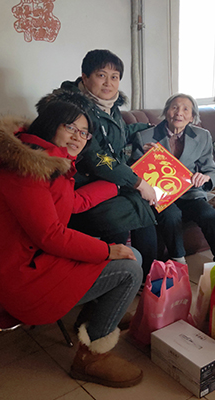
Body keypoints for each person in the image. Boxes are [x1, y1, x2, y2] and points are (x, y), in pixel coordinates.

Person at [0, 89, 144, 388]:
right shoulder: (27, 172)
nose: (78, 137)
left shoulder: (48, 163)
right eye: (71, 127)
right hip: (26, 281)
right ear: (51, 125)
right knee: (129, 269)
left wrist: (118, 187)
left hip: (41, 263)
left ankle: (96, 318)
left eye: (84, 132)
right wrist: (106, 250)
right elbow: (50, 235)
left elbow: (72, 203)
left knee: (132, 255)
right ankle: (91, 357)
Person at [60, 49, 157, 280]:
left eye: (114, 77)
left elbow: (119, 134)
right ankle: (126, 278)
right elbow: (95, 156)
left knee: (144, 207)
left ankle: (141, 276)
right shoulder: (75, 110)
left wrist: (149, 129)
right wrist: (137, 182)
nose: (109, 83)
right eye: (101, 75)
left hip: (109, 182)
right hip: (82, 187)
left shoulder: (109, 106)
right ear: (85, 77)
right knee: (130, 211)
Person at [132, 93, 215, 263]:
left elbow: (212, 169)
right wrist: (149, 160)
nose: (179, 113)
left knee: (209, 214)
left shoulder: (202, 136)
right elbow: (134, 172)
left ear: (192, 117)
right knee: (172, 216)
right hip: (160, 195)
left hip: (190, 192)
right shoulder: (145, 137)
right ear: (166, 112)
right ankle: (178, 261)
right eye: (175, 107)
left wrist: (205, 177)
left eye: (186, 109)